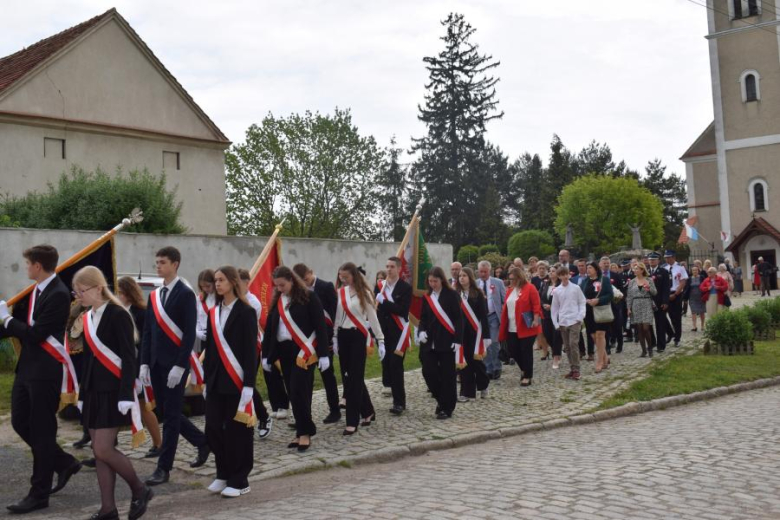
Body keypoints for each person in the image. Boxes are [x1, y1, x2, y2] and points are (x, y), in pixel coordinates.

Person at [0, 245, 81, 514]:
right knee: (20, 422)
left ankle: (39, 493)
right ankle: (63, 462)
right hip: (27, 369)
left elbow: (35, 335)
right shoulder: (35, 290)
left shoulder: (58, 294)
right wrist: (5, 322)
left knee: (43, 429)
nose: (25, 268)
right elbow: (20, 325)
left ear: (37, 265)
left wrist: (6, 320)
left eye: (28, 264)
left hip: (45, 372)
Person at [74, 266, 153, 519]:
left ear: (98, 288)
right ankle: (108, 509)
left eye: (82, 291)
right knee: (99, 454)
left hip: (113, 391)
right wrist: (82, 394)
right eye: (76, 292)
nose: (78, 296)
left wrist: (126, 394)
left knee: (103, 449)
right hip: (93, 391)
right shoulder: (88, 316)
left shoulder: (118, 314)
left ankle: (140, 489)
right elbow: (88, 359)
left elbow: (129, 357)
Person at [140, 246, 209, 487]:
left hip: (175, 367)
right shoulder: (155, 296)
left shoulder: (185, 293)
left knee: (170, 416)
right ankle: (202, 441)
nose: (158, 266)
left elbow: (189, 333)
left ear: (175, 264)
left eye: (162, 262)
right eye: (157, 262)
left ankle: (164, 467)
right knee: (167, 412)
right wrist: (144, 363)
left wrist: (180, 366)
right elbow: (148, 332)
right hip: (156, 364)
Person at [202, 266, 257, 497]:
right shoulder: (213, 312)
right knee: (213, 428)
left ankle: (240, 479)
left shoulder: (246, 312)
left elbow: (250, 351)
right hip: (216, 380)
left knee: (238, 432)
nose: (217, 284)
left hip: (236, 380)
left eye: (221, 280)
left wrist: (249, 385)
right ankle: (223, 473)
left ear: (233, 282)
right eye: (215, 280)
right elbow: (210, 349)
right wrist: (206, 380)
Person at [263, 266, 329, 448]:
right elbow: (270, 329)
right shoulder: (278, 300)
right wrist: (266, 355)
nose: (279, 289)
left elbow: (320, 326)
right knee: (293, 393)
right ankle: (301, 431)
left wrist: (324, 354)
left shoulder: (309, 297)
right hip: (284, 352)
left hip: (303, 351)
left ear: (292, 280)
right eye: (277, 286)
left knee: (299, 391)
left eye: (282, 285)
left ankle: (306, 432)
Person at [335, 262, 384, 434]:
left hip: (358, 337)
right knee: (348, 377)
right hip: (343, 336)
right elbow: (337, 317)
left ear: (354, 276)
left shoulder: (365, 294)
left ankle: (352, 421)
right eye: (341, 276)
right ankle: (368, 411)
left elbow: (373, 318)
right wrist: (334, 337)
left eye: (346, 276)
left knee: (355, 379)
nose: (343, 279)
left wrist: (380, 339)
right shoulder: (340, 292)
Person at [117, 276, 162, 458]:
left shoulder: (141, 313)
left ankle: (159, 444)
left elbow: (145, 343)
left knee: (144, 407)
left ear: (128, 293)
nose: (117, 296)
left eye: (120, 293)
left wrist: (139, 370)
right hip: (120, 366)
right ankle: (105, 445)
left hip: (137, 367)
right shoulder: (118, 312)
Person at [292, 264, 341, 423]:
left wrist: (332, 336)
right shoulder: (298, 292)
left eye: (306, 279)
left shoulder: (326, 287)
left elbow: (335, 312)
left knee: (327, 376)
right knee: (305, 381)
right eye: (301, 281)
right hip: (306, 341)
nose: (304, 283)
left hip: (324, 337)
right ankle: (304, 417)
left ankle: (335, 410)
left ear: (311, 272)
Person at [417, 266, 463, 419]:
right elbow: (423, 318)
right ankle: (441, 400)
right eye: (430, 281)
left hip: (447, 341)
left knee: (447, 375)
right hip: (429, 342)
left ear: (442, 280)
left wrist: (458, 340)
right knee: (428, 372)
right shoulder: (427, 296)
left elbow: (459, 319)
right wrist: (421, 331)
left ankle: (447, 408)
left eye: (435, 281)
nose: (432, 284)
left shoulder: (451, 295)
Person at [236, 269, 272, 440]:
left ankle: (264, 417)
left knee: (246, 383)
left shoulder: (253, 302)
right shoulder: (230, 299)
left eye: (238, 282)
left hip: (251, 347)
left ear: (246, 283)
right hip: (232, 348)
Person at [375, 257, 412, 415]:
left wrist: (384, 302)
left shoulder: (405, 288)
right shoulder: (380, 286)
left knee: (396, 365)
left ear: (399, 268)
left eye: (392, 266)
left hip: (398, 332)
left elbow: (402, 310)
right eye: (387, 266)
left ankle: (399, 403)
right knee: (387, 365)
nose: (389, 269)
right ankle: (391, 391)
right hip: (383, 332)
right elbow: (376, 309)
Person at [499, 267, 542, 387]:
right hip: (511, 326)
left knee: (526, 351)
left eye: (513, 279)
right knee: (513, 350)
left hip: (526, 326)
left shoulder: (530, 288)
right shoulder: (510, 290)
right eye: (510, 279)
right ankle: (524, 369)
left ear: (519, 278)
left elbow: (536, 304)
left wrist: (536, 319)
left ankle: (527, 375)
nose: (511, 281)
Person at [455, 267, 491, 401]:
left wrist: (486, 336)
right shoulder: (456, 293)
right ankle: (467, 392)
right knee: (464, 363)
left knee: (477, 362)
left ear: (470, 278)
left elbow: (483, 316)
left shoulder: (477, 293)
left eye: (464, 275)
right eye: (460, 276)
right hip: (461, 333)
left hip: (476, 332)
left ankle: (483, 385)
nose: (461, 278)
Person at [551, 266, 586, 380]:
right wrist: (556, 323)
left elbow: (582, 302)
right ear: (559, 276)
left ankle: (577, 369)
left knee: (573, 343)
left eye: (566, 274)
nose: (565, 277)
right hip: (563, 321)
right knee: (567, 346)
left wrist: (580, 316)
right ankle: (572, 368)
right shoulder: (557, 291)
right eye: (562, 275)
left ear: (569, 275)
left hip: (575, 319)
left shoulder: (576, 288)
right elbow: (554, 308)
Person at [476, 260, 506, 380]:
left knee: (493, 342)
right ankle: (488, 368)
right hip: (480, 318)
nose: (483, 274)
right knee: (485, 343)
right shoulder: (475, 283)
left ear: (490, 271)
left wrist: (503, 316)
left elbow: (504, 299)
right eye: (481, 271)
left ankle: (497, 367)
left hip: (493, 316)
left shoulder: (498, 282)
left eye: (485, 272)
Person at [583, 261, 614, 373]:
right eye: (587, 268)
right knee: (594, 336)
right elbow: (581, 295)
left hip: (601, 310)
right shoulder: (585, 281)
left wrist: (599, 300)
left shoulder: (604, 280)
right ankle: (605, 358)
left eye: (590, 267)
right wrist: (586, 301)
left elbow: (610, 295)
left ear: (596, 269)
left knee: (600, 335)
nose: (588, 270)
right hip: (589, 311)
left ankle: (599, 362)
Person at [626, 262, 658, 357]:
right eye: (634, 269)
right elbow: (629, 296)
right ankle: (643, 351)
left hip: (646, 303)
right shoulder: (632, 282)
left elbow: (655, 292)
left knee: (646, 328)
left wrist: (649, 288)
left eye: (637, 269)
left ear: (642, 270)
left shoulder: (649, 280)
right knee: (639, 329)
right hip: (635, 304)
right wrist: (628, 308)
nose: (635, 270)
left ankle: (650, 348)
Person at [540, 265, 563, 369]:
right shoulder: (545, 284)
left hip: (557, 314)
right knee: (547, 334)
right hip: (546, 314)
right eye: (550, 271)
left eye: (553, 271)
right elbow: (540, 296)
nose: (551, 273)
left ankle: (555, 357)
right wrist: (543, 304)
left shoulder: (561, 284)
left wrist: (552, 306)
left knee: (556, 335)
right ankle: (556, 351)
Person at [663, 250, 688, 348]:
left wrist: (676, 294)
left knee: (676, 317)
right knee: (663, 315)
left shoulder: (680, 268)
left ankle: (677, 338)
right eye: (666, 257)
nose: (667, 259)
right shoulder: (664, 268)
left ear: (673, 257)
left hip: (676, 293)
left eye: (668, 257)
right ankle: (670, 332)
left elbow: (683, 282)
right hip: (666, 293)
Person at [647, 252, 671, 353]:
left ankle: (661, 345)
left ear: (658, 260)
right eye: (650, 259)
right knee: (648, 324)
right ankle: (652, 342)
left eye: (654, 259)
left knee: (660, 324)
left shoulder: (663, 272)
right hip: (647, 301)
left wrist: (665, 301)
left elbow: (666, 288)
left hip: (659, 301)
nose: (652, 261)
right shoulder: (645, 271)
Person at [195, 269, 216, 345]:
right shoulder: (199, 299)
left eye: (208, 286)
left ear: (214, 283)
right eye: (202, 286)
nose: (205, 289)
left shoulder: (221, 298)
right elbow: (196, 318)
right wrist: (198, 332)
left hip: (218, 336)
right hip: (204, 336)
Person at [687, 266, 706, 332]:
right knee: (693, 312)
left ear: (698, 271)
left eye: (696, 270)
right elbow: (687, 288)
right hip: (692, 297)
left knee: (702, 312)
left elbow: (705, 285)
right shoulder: (689, 279)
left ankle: (702, 326)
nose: (695, 271)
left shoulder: (702, 277)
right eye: (693, 270)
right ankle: (694, 326)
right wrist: (685, 297)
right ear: (691, 271)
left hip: (701, 297)